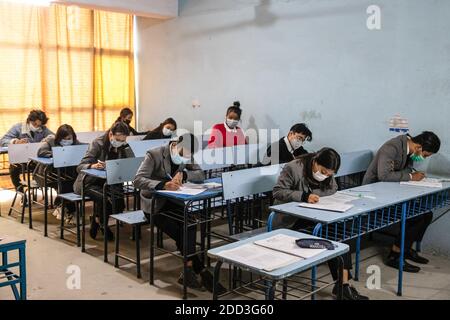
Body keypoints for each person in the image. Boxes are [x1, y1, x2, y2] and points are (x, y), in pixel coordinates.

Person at [134, 133, 226, 294]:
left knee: (190, 224)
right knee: (179, 232)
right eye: (183, 154)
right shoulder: (154, 154)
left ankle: (189, 268)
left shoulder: (187, 154)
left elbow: (200, 174)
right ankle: (200, 270)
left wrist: (185, 174)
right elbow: (138, 180)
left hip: (174, 201)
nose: (185, 158)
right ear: (176, 144)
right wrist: (163, 184)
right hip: (154, 205)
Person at [272, 148, 368, 300]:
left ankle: (343, 285)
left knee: (340, 231)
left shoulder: (328, 172)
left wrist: (315, 195)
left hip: (314, 214)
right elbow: (277, 192)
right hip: (290, 219)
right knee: (331, 233)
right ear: (316, 161)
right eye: (323, 172)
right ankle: (342, 286)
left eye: (329, 174)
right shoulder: (294, 167)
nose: (325, 176)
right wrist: (304, 196)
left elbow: (334, 188)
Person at [363, 131, 441, 273]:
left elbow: (404, 171)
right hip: (374, 196)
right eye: (425, 155)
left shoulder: (409, 151)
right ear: (418, 147)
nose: (422, 158)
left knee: (426, 214)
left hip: (391, 194)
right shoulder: (392, 147)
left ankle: (406, 249)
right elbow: (384, 175)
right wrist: (411, 176)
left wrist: (414, 174)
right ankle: (395, 255)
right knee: (415, 216)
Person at [73, 122, 134, 241]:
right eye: (117, 139)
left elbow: (130, 162)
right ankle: (102, 224)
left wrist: (124, 151)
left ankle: (96, 218)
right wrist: (93, 165)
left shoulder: (124, 145)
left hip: (110, 181)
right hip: (89, 182)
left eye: (123, 140)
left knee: (119, 204)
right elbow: (80, 166)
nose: (120, 142)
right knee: (106, 199)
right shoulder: (98, 143)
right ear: (111, 134)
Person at [34, 124, 82, 223]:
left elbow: (83, 149)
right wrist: (58, 154)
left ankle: (61, 204)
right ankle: (69, 210)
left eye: (70, 138)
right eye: (65, 138)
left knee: (72, 179)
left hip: (67, 174)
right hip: (49, 174)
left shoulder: (74, 142)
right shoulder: (51, 141)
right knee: (68, 182)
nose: (68, 140)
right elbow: (41, 152)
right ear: (59, 137)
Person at [0, 110, 54, 192]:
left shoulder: (43, 129)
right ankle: (20, 190)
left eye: (39, 125)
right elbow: (3, 140)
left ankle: (39, 188)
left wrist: (47, 140)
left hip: (36, 161)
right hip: (21, 161)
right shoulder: (18, 128)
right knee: (13, 169)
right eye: (35, 124)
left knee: (49, 166)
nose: (37, 127)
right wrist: (15, 141)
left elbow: (54, 137)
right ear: (29, 121)